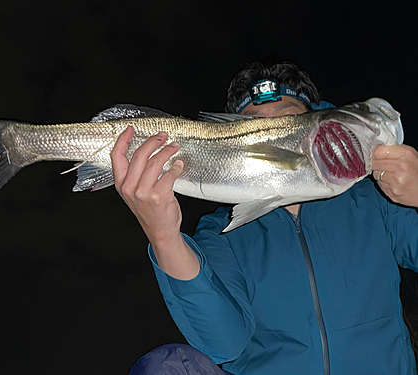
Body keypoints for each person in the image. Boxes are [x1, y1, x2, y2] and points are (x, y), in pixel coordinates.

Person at [111, 61, 418, 375]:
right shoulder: (221, 232)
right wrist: (163, 237)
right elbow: (224, 344)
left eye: (288, 118)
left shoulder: (375, 201)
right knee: (166, 367)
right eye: (255, 125)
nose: (272, 137)